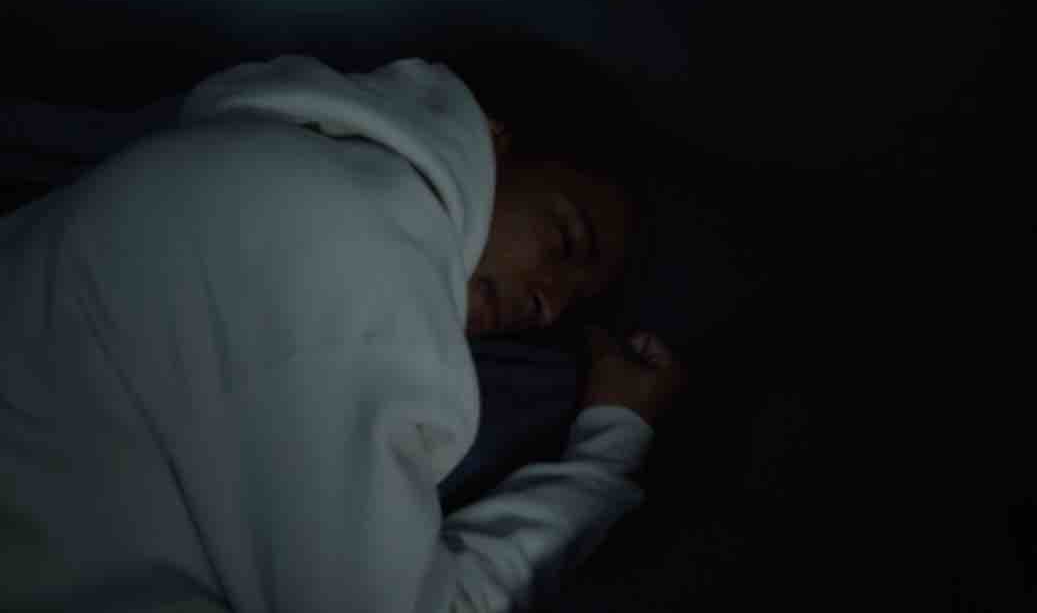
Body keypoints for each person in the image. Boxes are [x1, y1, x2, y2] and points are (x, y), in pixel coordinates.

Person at [0, 51, 684, 613]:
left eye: (571, 305)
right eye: (565, 240)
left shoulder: (251, 148)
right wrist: (611, 443)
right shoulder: (369, 268)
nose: (547, 303)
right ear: (493, 136)